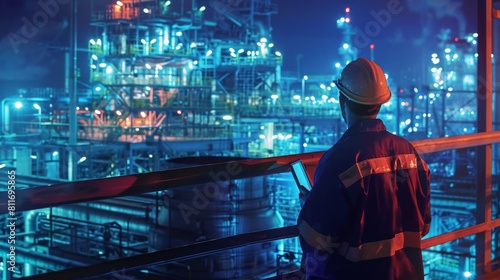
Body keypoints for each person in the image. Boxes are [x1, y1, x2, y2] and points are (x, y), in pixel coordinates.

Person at [297, 58, 431, 280]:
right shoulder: (409, 153)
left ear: (343, 101)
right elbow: (423, 225)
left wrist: (309, 205)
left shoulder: (338, 160)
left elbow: (318, 239)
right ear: (380, 103)